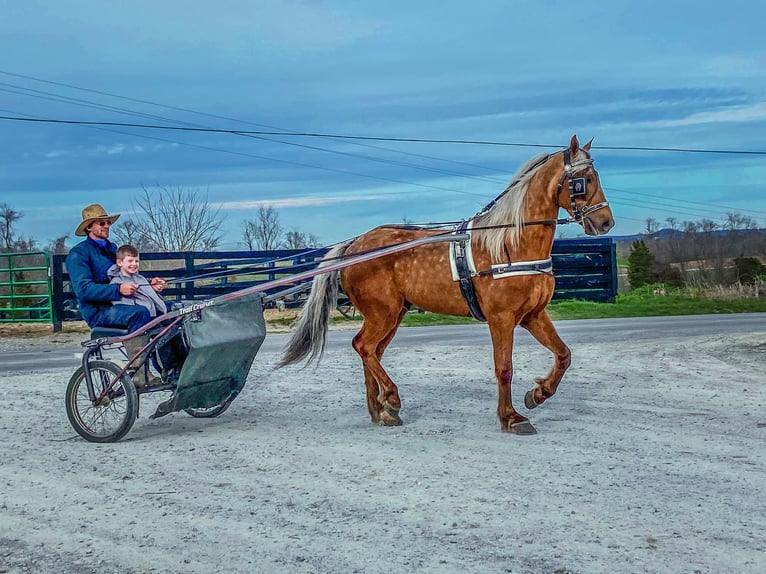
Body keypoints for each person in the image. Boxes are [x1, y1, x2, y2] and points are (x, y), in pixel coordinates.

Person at [66, 204, 170, 387]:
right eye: (101, 223)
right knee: (140, 313)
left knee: (167, 313)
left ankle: (173, 369)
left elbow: (127, 274)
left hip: (123, 303)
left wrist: (148, 286)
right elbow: (83, 290)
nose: (106, 226)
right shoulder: (78, 255)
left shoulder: (112, 249)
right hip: (101, 311)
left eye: (107, 222)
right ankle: (140, 374)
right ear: (89, 227)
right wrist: (117, 290)